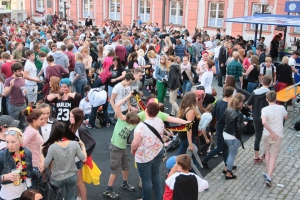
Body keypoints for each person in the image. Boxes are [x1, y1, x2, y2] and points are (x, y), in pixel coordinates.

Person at [103, 92, 140, 199]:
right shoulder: (121, 119)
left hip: (123, 148)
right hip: (115, 148)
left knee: (126, 166)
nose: (134, 126)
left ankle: (124, 183)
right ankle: (108, 190)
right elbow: (117, 104)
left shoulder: (133, 123)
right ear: (129, 121)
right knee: (115, 170)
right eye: (133, 124)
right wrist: (128, 96)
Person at [41, 123, 87, 200]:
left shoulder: (52, 147)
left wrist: (40, 152)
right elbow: (84, 159)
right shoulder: (74, 144)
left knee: (57, 197)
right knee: (71, 197)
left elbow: (45, 164)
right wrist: (83, 147)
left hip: (57, 178)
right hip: (71, 176)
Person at [131, 100, 164, 200]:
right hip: (158, 151)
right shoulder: (159, 121)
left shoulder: (141, 126)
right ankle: (159, 197)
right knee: (156, 174)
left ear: (146, 110)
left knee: (146, 180)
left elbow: (135, 144)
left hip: (144, 156)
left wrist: (132, 150)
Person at [201, 87, 234, 170]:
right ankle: (205, 160)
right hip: (226, 129)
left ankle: (227, 164)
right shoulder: (230, 105)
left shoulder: (219, 102)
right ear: (231, 95)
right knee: (220, 147)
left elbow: (215, 114)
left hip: (219, 127)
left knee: (225, 147)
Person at [261, 91, 288, 187]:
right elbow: (286, 116)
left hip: (267, 134)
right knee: (273, 156)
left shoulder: (264, 109)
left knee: (267, 153)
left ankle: (268, 173)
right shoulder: (281, 108)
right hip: (278, 134)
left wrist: (271, 131)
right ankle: (269, 176)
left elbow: (264, 122)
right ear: (276, 99)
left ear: (267, 99)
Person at [0, 128, 34, 200]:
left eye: (13, 142)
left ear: (20, 140)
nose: (10, 145)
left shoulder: (27, 152)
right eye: (7, 142)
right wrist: (4, 177)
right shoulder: (2, 155)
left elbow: (30, 171)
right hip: (7, 196)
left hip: (24, 195)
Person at [70, 108, 96, 200]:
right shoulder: (74, 126)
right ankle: (80, 196)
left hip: (77, 159)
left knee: (79, 182)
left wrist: (82, 154)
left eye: (72, 117)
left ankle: (82, 197)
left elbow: (92, 142)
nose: (70, 118)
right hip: (74, 158)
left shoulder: (80, 129)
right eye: (70, 116)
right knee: (78, 182)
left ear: (77, 117)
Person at [246, 75, 272, 164]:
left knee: (257, 136)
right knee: (267, 136)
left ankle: (256, 157)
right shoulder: (270, 94)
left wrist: (253, 111)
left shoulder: (255, 92)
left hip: (256, 116)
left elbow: (248, 103)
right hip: (267, 118)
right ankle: (265, 153)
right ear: (270, 83)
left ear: (261, 82)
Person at [177, 92, 200, 169]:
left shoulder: (185, 109)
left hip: (185, 137)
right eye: (196, 97)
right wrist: (190, 143)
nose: (197, 98)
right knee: (193, 158)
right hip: (188, 138)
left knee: (186, 157)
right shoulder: (191, 111)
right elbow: (189, 129)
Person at [22, 108, 45, 187]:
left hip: (35, 164)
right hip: (34, 165)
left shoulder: (31, 129)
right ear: (34, 120)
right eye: (41, 119)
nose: (43, 120)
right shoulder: (32, 131)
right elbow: (22, 144)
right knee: (33, 190)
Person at [223, 94, 244, 179]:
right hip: (233, 137)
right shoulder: (238, 113)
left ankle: (227, 168)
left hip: (226, 134)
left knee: (230, 154)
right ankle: (228, 173)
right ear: (240, 102)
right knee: (232, 154)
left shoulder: (228, 109)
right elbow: (239, 128)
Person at [4, 62, 27, 130]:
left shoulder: (22, 78)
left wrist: (25, 90)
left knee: (23, 124)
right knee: (14, 126)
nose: (21, 72)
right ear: (14, 71)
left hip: (23, 104)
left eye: (22, 70)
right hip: (14, 106)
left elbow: (22, 88)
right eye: (19, 71)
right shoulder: (8, 80)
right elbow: (5, 94)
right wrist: (11, 86)